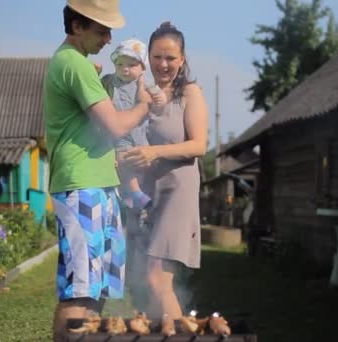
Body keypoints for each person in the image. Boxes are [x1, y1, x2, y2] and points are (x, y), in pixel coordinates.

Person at [42, 1, 152, 341]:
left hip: (101, 186)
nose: (108, 38)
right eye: (102, 30)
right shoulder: (73, 64)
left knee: (98, 288)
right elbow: (116, 125)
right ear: (77, 27)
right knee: (80, 290)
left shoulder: (82, 66)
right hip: (81, 188)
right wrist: (144, 106)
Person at [121, 21, 209, 320]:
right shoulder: (141, 94)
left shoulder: (190, 93)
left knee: (158, 278)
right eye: (157, 56)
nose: (164, 64)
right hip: (146, 196)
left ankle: (181, 333)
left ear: (182, 60)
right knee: (144, 285)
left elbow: (198, 145)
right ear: (148, 56)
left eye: (171, 57)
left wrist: (153, 152)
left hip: (177, 193)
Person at [101, 38, 167, 210]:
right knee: (124, 160)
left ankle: (132, 194)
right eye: (120, 64)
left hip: (141, 133)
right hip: (120, 133)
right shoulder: (110, 81)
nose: (125, 69)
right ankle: (134, 193)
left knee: (140, 165)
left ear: (142, 68)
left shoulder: (146, 84)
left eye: (131, 65)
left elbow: (161, 101)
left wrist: (159, 100)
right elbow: (96, 87)